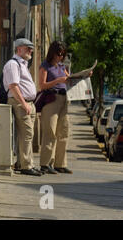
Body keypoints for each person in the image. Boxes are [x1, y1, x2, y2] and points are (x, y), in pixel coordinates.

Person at [3, 38, 41, 176]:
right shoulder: (13, 64)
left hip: (28, 103)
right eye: (28, 48)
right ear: (19, 49)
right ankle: (26, 165)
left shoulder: (23, 64)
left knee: (26, 135)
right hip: (20, 102)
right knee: (27, 134)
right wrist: (24, 104)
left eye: (31, 48)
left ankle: (24, 163)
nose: (31, 50)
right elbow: (13, 86)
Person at [38, 41, 74, 174]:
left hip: (64, 100)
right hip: (51, 99)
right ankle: (45, 164)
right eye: (59, 54)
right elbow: (42, 85)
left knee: (63, 132)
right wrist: (58, 81)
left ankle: (60, 164)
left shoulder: (61, 66)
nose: (60, 57)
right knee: (50, 131)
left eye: (62, 55)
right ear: (52, 52)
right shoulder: (45, 66)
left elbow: (69, 80)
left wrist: (84, 75)